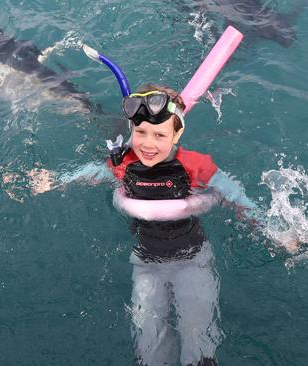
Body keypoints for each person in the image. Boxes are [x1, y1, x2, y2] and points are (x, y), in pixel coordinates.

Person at [24, 84, 268, 365]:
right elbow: (90, 173)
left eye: (159, 134)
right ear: (131, 131)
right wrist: (54, 180)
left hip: (192, 259)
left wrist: (261, 223)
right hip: (146, 263)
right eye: (140, 133)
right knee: (149, 340)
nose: (148, 144)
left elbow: (234, 194)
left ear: (177, 133)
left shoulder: (194, 166)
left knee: (198, 336)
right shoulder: (123, 165)